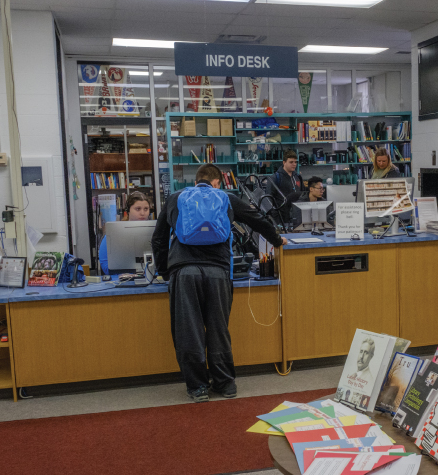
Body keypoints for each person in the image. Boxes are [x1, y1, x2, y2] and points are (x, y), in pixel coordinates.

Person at [151, 164, 287, 403]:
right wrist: (277, 239)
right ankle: (225, 384)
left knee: (188, 332)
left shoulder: (175, 198)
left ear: (196, 182)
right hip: (218, 272)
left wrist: (165, 271)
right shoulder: (226, 198)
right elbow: (257, 220)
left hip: (184, 272)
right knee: (218, 328)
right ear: (216, 183)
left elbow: (158, 239)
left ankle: (197, 388)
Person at [98, 191, 151, 274]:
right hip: (121, 280)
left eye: (146, 209)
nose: (142, 213)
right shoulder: (114, 232)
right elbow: (105, 263)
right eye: (138, 209)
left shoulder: (156, 231)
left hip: (152, 279)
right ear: (128, 210)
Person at [268, 150, 302, 225]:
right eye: (291, 162)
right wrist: (275, 217)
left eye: (295, 162)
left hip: (296, 217)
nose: (294, 164)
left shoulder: (297, 177)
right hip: (280, 218)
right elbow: (269, 199)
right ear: (284, 162)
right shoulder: (275, 177)